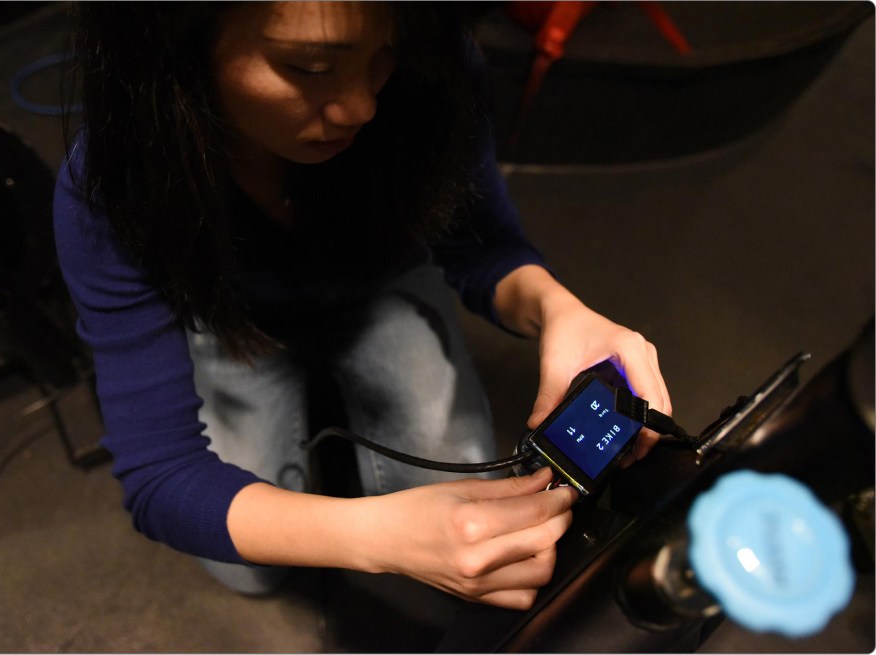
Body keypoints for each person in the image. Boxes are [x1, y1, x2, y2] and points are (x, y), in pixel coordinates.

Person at [54, 2, 672, 610]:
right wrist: (374, 538)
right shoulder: (109, 188)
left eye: (386, 57)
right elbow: (161, 476)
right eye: (314, 67)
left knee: (474, 509)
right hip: (231, 317)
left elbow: (481, 246)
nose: (362, 108)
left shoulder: (436, 62)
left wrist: (558, 308)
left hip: (382, 288)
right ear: (178, 39)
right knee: (249, 572)